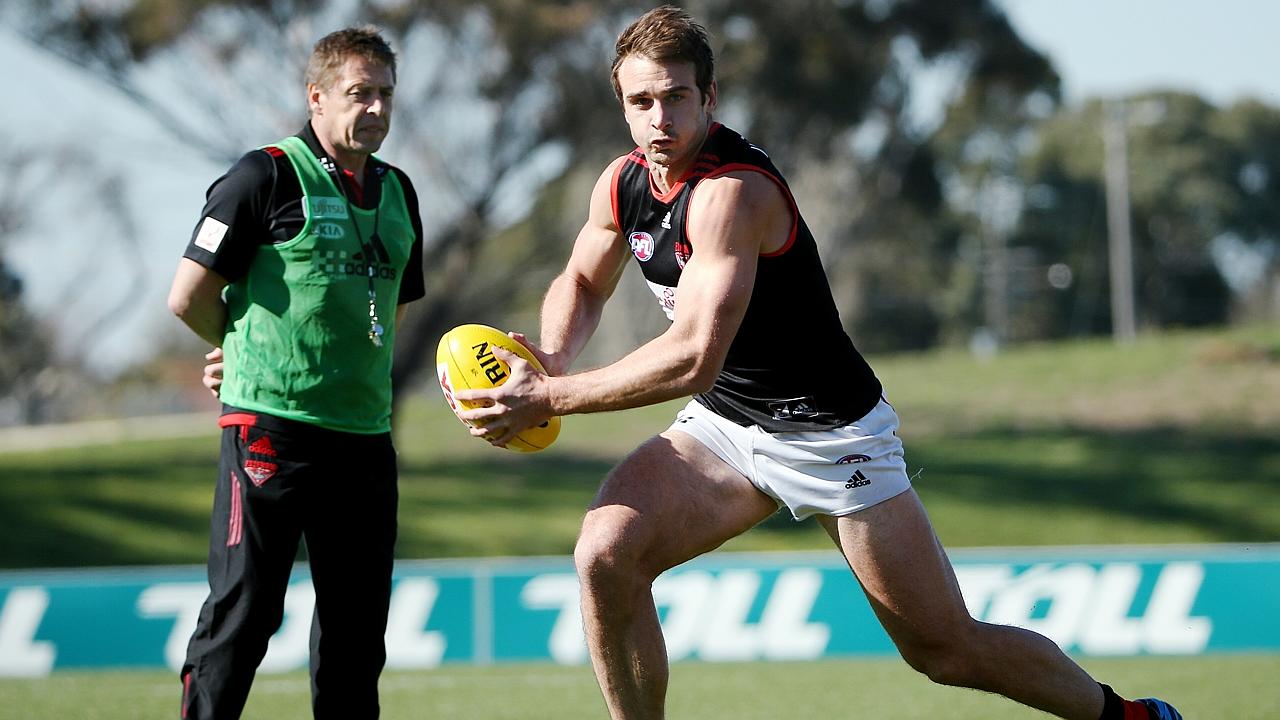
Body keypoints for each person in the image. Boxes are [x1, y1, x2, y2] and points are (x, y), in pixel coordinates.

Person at [456, 6, 1181, 720]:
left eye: (676, 97)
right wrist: (551, 353)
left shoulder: (731, 195)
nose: (659, 119)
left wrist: (552, 395)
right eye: (641, 101)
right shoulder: (623, 184)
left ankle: (1128, 718)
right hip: (727, 428)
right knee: (605, 555)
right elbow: (583, 282)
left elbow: (691, 359)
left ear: (708, 98)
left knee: (946, 651)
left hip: (832, 435)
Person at [166, 26, 424, 720]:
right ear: (316, 96)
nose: (374, 109)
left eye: (385, 95)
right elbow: (187, 295)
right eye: (358, 93)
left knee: (355, 637)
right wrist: (240, 347)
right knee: (243, 618)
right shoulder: (263, 176)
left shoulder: (400, 194)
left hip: (365, 442)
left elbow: (384, 313)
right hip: (270, 433)